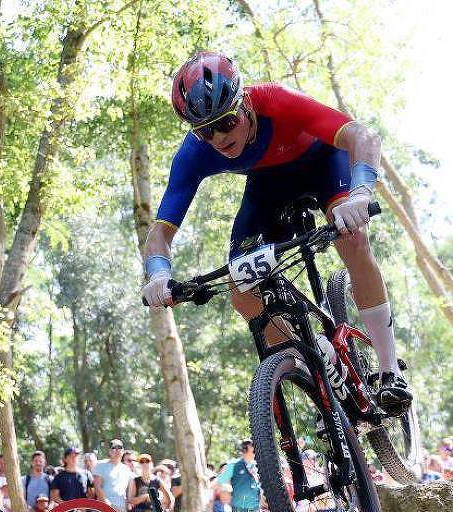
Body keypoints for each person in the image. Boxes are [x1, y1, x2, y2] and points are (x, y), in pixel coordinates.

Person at [142, 51, 412, 415]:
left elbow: (362, 137)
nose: (218, 137)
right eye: (204, 130)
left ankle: (388, 369)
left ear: (245, 103)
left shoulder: (276, 100)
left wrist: (362, 192)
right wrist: (158, 274)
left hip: (322, 164)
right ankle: (316, 360)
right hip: (267, 186)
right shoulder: (196, 153)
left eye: (226, 122)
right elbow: (160, 233)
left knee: (353, 238)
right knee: (243, 292)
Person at [216, 440, 261, 512]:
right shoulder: (233, 465)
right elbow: (218, 483)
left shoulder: (257, 466)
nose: (255, 448)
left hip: (256, 508)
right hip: (239, 508)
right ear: (245, 449)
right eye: (252, 446)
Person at [93, 439, 134, 512]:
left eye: (119, 447)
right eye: (114, 447)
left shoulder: (127, 469)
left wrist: (129, 503)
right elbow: (97, 487)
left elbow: (131, 489)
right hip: (104, 506)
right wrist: (106, 502)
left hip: (121, 507)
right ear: (109, 451)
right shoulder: (100, 465)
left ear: (123, 451)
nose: (117, 450)